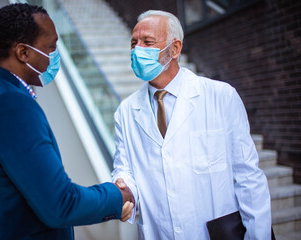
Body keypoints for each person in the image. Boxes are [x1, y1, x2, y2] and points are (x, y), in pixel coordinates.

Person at [0, 3, 134, 240]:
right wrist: (117, 197)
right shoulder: (10, 106)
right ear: (23, 53)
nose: (55, 56)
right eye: (50, 48)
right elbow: (60, 204)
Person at [112, 10, 272, 239]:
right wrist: (124, 188)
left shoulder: (221, 97)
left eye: (147, 42)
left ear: (175, 49)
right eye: (134, 43)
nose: (138, 50)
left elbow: (248, 177)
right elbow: (124, 169)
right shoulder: (125, 112)